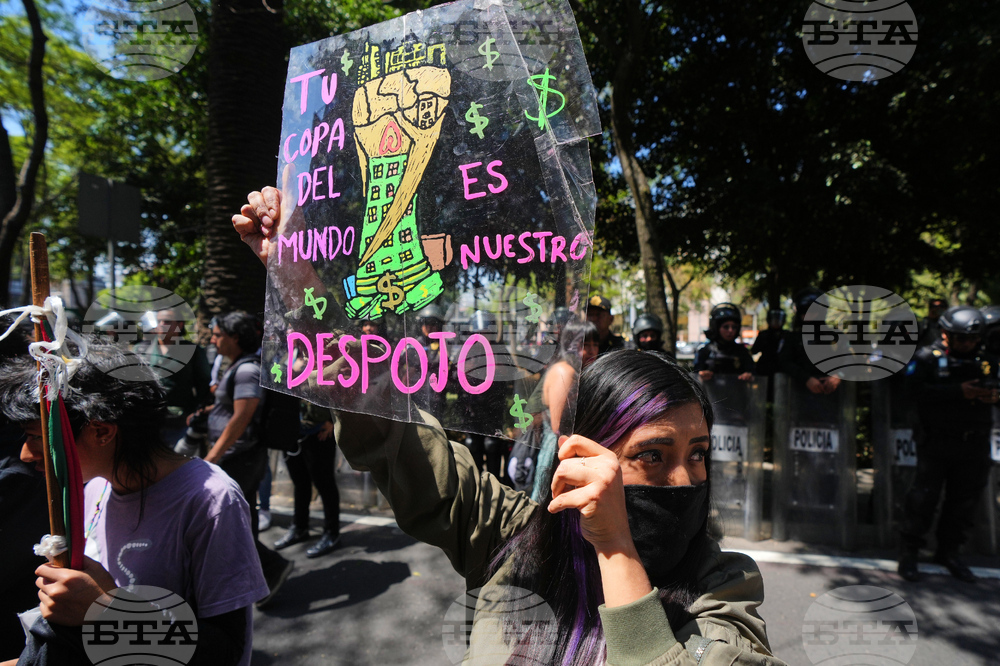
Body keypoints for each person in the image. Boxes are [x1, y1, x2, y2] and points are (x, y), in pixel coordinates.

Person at [233, 193, 784, 664]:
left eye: (698, 454)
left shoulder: (722, 587)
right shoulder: (514, 537)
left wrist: (617, 550)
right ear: (583, 453)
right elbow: (395, 435)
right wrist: (299, 280)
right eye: (653, 455)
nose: (686, 480)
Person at [0, 338, 267, 665]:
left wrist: (108, 611)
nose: (25, 454)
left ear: (101, 432)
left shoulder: (211, 500)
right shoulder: (94, 487)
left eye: (36, 437)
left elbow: (227, 652)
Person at [897, 305, 999, 583]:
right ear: (945, 334)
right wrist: (958, 392)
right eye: (962, 338)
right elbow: (911, 391)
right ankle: (909, 554)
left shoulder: (987, 361)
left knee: (963, 503)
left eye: (973, 339)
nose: (967, 344)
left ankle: (949, 552)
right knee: (923, 500)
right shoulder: (927, 358)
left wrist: (994, 396)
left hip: (974, 443)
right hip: (937, 442)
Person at [202, 312, 293, 607]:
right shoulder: (238, 366)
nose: (213, 340)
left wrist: (212, 457)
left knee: (234, 526)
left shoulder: (247, 370)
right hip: (238, 458)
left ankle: (272, 568)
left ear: (235, 337)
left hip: (239, 459)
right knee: (243, 523)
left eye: (218, 335)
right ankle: (261, 580)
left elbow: (242, 416)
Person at [529, 320, 599, 501]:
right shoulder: (564, 372)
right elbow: (559, 427)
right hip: (557, 455)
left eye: (595, 344)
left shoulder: (577, 371)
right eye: (585, 345)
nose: (592, 350)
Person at [134, 309, 212, 451]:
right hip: (147, 422)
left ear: (179, 325)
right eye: (159, 321)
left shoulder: (192, 351)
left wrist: (195, 412)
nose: (162, 325)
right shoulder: (141, 349)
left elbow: (204, 384)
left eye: (167, 321)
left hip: (179, 423)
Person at [272, 401, 342, 558]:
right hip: (291, 429)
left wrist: (334, 420)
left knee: (324, 484)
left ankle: (332, 533)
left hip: (319, 429)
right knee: (300, 483)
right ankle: (299, 528)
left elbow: (343, 394)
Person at [778, 287, 841, 394]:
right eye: (803, 312)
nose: (807, 316)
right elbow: (783, 362)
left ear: (821, 312)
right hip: (798, 394)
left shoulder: (835, 336)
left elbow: (850, 359)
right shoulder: (792, 338)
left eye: (812, 312)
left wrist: (838, 375)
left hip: (833, 395)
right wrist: (805, 378)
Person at [694, 303, 754, 381]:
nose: (730, 330)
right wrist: (701, 376)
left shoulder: (742, 352)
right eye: (726, 327)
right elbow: (694, 376)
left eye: (734, 327)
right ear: (716, 328)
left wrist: (749, 376)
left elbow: (754, 375)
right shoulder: (705, 351)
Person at [750, 309, 785, 378]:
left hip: (781, 369)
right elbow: (754, 350)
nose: (776, 322)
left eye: (778, 319)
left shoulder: (786, 335)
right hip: (765, 369)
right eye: (774, 319)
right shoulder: (764, 335)